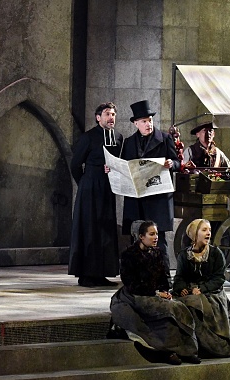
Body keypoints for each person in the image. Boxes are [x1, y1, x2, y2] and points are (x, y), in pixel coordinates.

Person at [110, 221, 201, 365]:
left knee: (179, 308)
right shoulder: (129, 255)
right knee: (170, 311)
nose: (156, 237)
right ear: (141, 236)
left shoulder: (157, 252)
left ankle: (186, 351)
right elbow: (131, 283)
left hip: (155, 294)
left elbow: (164, 278)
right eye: (151, 234)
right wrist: (156, 293)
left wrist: (165, 291)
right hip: (136, 295)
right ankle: (168, 352)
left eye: (157, 234)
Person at [121, 100, 181, 283]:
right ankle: (137, 278)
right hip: (137, 198)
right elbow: (125, 166)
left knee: (158, 239)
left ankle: (164, 278)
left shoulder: (164, 138)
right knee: (136, 239)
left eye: (150, 120)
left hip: (157, 198)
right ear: (136, 123)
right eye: (144, 121)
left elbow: (178, 163)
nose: (148, 124)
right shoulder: (129, 142)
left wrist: (172, 164)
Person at [68, 102, 123, 287]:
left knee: (105, 229)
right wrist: (85, 183)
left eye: (113, 114)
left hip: (108, 188)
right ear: (98, 117)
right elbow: (75, 164)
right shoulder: (89, 137)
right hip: (90, 188)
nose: (111, 118)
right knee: (89, 229)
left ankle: (101, 273)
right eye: (107, 114)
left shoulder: (118, 137)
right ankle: (86, 275)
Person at [173, 219, 230, 357]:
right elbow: (179, 277)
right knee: (178, 305)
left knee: (200, 306)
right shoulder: (184, 255)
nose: (208, 233)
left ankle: (209, 346)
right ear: (195, 234)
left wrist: (202, 289)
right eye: (204, 230)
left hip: (211, 292)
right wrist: (182, 288)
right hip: (190, 291)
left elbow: (219, 278)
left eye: (209, 230)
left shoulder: (215, 253)